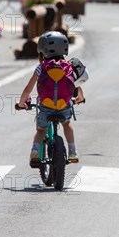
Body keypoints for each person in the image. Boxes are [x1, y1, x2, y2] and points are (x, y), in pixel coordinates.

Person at [17, 31, 88, 166]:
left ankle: (35, 151)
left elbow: (28, 89)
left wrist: (21, 104)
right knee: (67, 124)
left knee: (41, 130)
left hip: (45, 107)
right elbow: (77, 86)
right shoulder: (69, 68)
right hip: (64, 107)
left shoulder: (41, 68)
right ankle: (72, 151)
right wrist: (80, 98)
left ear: (42, 51)